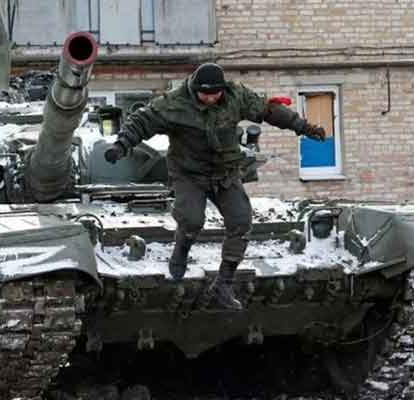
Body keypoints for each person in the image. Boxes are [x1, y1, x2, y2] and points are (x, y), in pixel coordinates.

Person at [104, 63, 326, 310]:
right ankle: (181, 249)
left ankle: (224, 283)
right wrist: (121, 145)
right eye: (205, 94)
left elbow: (268, 110)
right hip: (189, 174)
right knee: (191, 219)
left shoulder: (235, 95)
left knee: (241, 221)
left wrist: (304, 127)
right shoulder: (174, 103)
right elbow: (143, 120)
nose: (210, 99)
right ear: (195, 89)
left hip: (225, 173)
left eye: (215, 94)